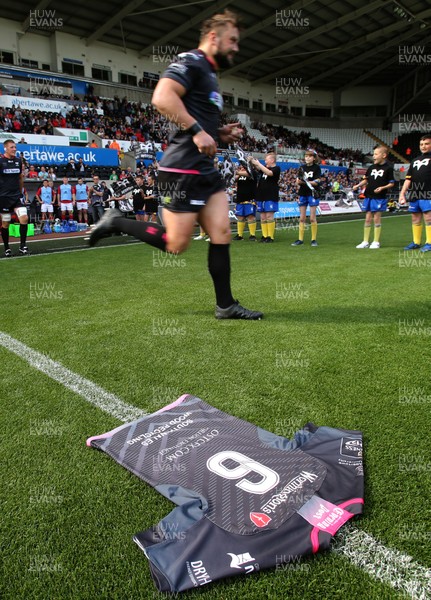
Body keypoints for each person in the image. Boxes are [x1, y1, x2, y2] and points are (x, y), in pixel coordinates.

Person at [89, 10, 262, 320]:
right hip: (181, 169)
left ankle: (226, 305)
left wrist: (218, 132)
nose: (237, 47)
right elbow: (162, 97)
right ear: (213, 37)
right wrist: (198, 131)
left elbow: (194, 120)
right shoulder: (191, 61)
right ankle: (115, 221)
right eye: (233, 40)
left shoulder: (210, 73)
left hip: (204, 168)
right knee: (176, 244)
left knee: (222, 231)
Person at [353, 146, 394, 249]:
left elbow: (392, 183)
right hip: (369, 195)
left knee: (376, 218)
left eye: (376, 154)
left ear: (383, 155)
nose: (373, 156)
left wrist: (382, 188)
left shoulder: (388, 168)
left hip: (379, 197)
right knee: (367, 219)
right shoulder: (371, 168)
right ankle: (365, 241)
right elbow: (366, 180)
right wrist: (358, 185)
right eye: (373, 154)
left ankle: (376, 241)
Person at [399, 134, 431, 252]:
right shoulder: (415, 160)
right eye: (421, 144)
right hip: (414, 194)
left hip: (428, 193)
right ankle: (416, 242)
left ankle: (429, 243)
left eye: (427, 144)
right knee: (415, 218)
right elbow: (408, 179)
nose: (423, 146)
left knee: (428, 217)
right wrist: (402, 194)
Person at [0, 139, 29, 256]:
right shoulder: (1, 161)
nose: (14, 149)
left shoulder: (18, 161)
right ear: (5, 148)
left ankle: (23, 246)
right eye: (12, 147)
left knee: (24, 218)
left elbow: (20, 178)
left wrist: (21, 192)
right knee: (5, 224)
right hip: (4, 199)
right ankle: (7, 248)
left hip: (16, 197)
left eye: (15, 147)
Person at [291, 149, 322, 247]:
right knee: (302, 218)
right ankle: (300, 239)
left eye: (309, 156)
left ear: (313, 158)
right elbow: (297, 181)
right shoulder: (302, 167)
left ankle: (313, 239)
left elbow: (317, 181)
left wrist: (305, 182)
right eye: (306, 156)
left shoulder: (317, 168)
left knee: (312, 218)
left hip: (312, 193)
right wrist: (301, 182)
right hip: (303, 193)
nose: (307, 158)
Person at [249, 152, 280, 243]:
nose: (265, 161)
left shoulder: (276, 168)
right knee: (262, 217)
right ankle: (265, 235)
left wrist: (258, 164)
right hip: (261, 195)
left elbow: (269, 173)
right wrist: (252, 161)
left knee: (269, 216)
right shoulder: (264, 168)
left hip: (270, 195)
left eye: (267, 159)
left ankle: (270, 237)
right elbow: (258, 168)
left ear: (272, 160)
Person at [233, 164, 257, 240]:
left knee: (250, 217)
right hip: (240, 199)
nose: (242, 168)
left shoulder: (253, 172)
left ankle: (252, 235)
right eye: (241, 167)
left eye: (244, 167)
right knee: (240, 217)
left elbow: (249, 174)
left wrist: (237, 172)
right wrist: (238, 173)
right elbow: (234, 180)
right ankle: (239, 235)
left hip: (250, 198)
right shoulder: (240, 175)